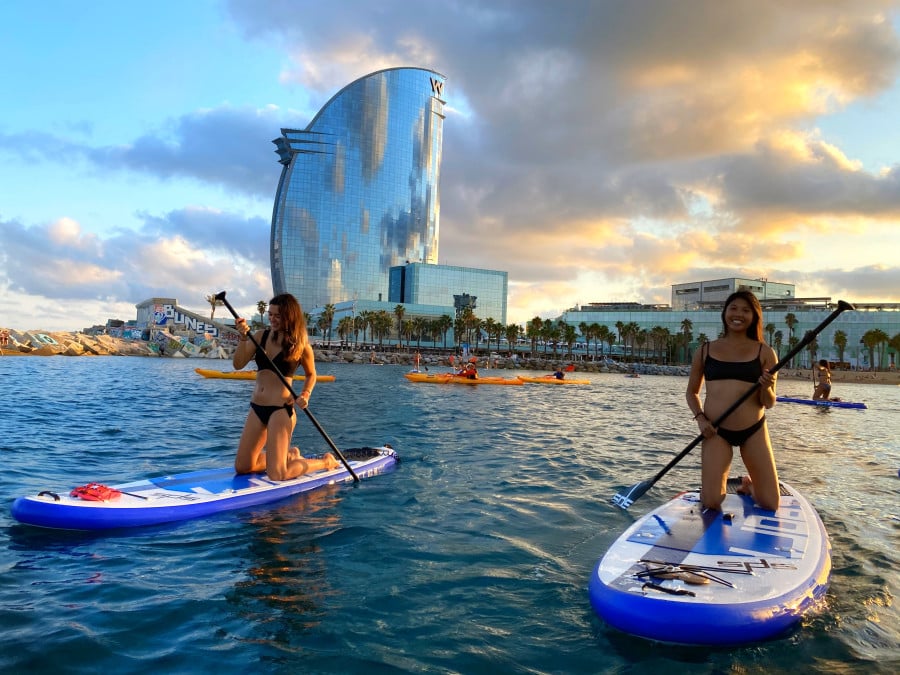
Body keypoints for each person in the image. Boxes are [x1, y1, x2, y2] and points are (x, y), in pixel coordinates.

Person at [685, 291, 780, 511]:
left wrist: (766, 387)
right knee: (711, 502)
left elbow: (769, 402)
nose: (738, 314)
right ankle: (720, 486)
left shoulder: (765, 352)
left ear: (754, 316)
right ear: (725, 313)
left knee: (770, 504)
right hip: (716, 431)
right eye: (734, 308)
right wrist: (700, 419)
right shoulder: (705, 350)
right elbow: (692, 392)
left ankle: (749, 486)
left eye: (746, 310)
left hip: (753, 430)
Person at [233, 293, 337, 481]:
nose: (272, 319)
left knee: (278, 475)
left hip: (280, 410)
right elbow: (238, 364)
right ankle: (289, 455)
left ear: (289, 316)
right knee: (243, 467)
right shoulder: (259, 337)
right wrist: (242, 337)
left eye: (277, 315)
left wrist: (306, 393)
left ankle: (326, 462)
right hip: (257, 408)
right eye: (270, 314)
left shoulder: (300, 345)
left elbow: (311, 374)